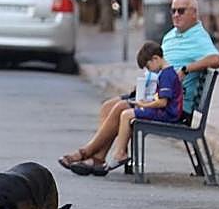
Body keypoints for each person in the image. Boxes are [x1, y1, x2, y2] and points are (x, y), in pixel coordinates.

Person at [58, 41, 180, 175]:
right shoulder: (165, 72)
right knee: (110, 107)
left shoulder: (166, 74)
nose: (149, 70)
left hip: (165, 113)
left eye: (148, 66)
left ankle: (99, 152)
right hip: (160, 108)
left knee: (125, 112)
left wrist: (144, 104)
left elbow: (163, 102)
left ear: (155, 59)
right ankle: (98, 157)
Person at [162, 0, 219, 113]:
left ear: (194, 13)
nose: (176, 15)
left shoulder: (198, 37)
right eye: (173, 11)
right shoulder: (169, 35)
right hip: (159, 96)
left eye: (181, 11)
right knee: (121, 104)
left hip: (175, 105)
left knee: (125, 112)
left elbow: (216, 59)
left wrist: (186, 69)